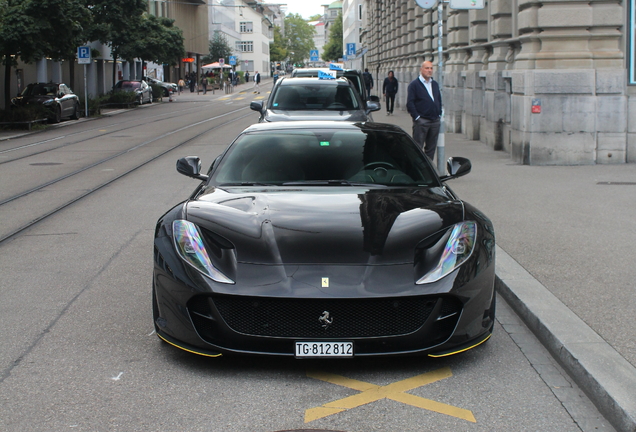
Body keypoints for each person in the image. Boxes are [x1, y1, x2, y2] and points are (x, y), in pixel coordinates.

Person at [406, 61, 442, 160]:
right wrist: (417, 117)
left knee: (431, 148)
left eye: (431, 68)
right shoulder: (414, 85)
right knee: (417, 148)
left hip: (434, 120)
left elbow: (438, 99)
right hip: (422, 120)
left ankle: (428, 170)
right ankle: (416, 169)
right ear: (421, 69)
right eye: (427, 68)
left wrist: (439, 114)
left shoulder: (434, 84)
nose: (429, 70)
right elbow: (410, 103)